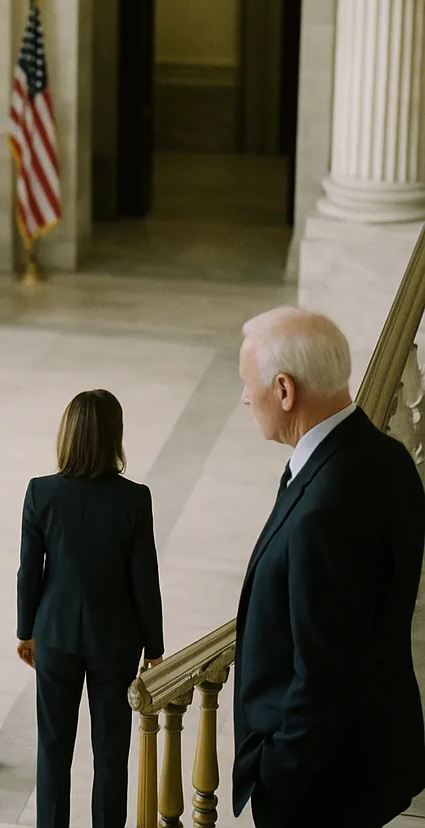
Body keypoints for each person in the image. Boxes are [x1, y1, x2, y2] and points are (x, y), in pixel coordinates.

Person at [234, 306, 425, 828]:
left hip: (320, 788)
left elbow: (325, 675)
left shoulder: (327, 507)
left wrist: (278, 776)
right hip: (367, 755)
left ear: (285, 390)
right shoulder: (386, 457)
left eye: (249, 383)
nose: (245, 397)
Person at [16, 389, 163, 828]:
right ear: (115, 436)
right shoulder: (134, 498)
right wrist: (154, 647)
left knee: (53, 750)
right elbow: (144, 578)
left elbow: (29, 572)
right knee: (112, 755)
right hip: (115, 641)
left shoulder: (41, 492)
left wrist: (26, 631)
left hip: (56, 635)